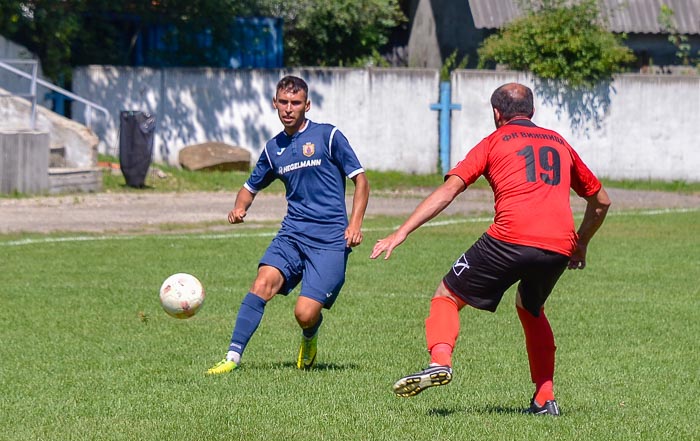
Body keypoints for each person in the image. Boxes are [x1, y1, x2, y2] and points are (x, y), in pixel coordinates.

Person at [370, 83, 610, 415]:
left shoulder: (493, 141)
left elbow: (447, 193)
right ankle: (545, 399)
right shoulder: (560, 142)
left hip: (510, 238)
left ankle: (439, 361)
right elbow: (601, 201)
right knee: (531, 308)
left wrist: (402, 232)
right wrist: (580, 244)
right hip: (558, 245)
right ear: (533, 111)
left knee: (446, 296)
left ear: (496, 114)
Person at [207, 75, 369, 374]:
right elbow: (250, 186)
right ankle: (232, 358)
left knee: (304, 314)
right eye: (283, 102)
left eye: (295, 103)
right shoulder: (273, 149)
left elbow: (360, 179)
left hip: (330, 239)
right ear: (275, 103)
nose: (289, 109)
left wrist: (355, 224)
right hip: (292, 234)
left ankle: (310, 335)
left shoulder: (328, 136)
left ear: (307, 105)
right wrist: (239, 207)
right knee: (261, 283)